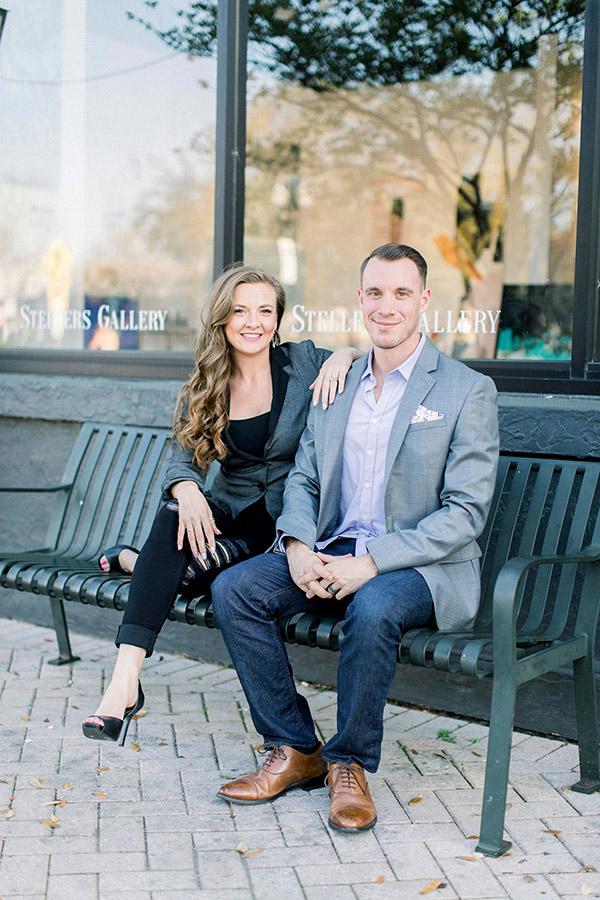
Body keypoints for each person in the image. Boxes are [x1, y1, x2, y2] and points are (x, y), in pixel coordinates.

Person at [210, 243, 499, 832]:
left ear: (423, 301)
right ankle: (295, 747)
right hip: (334, 549)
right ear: (359, 300)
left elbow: (465, 514)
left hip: (423, 567)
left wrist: (370, 564)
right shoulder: (334, 383)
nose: (386, 306)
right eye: (374, 292)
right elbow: (306, 477)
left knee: (371, 606)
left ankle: (348, 763)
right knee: (236, 589)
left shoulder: (466, 390)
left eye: (400, 293)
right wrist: (294, 547)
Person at [82, 264, 359, 745]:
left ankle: (133, 559)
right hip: (230, 513)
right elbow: (180, 459)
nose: (253, 322)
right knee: (174, 519)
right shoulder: (207, 382)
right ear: (222, 319)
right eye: (240, 310)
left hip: (286, 524)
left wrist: (346, 356)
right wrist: (187, 490)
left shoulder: (305, 362)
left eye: (265, 311)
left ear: (277, 318)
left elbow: (371, 354)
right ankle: (124, 682)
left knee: (188, 574)